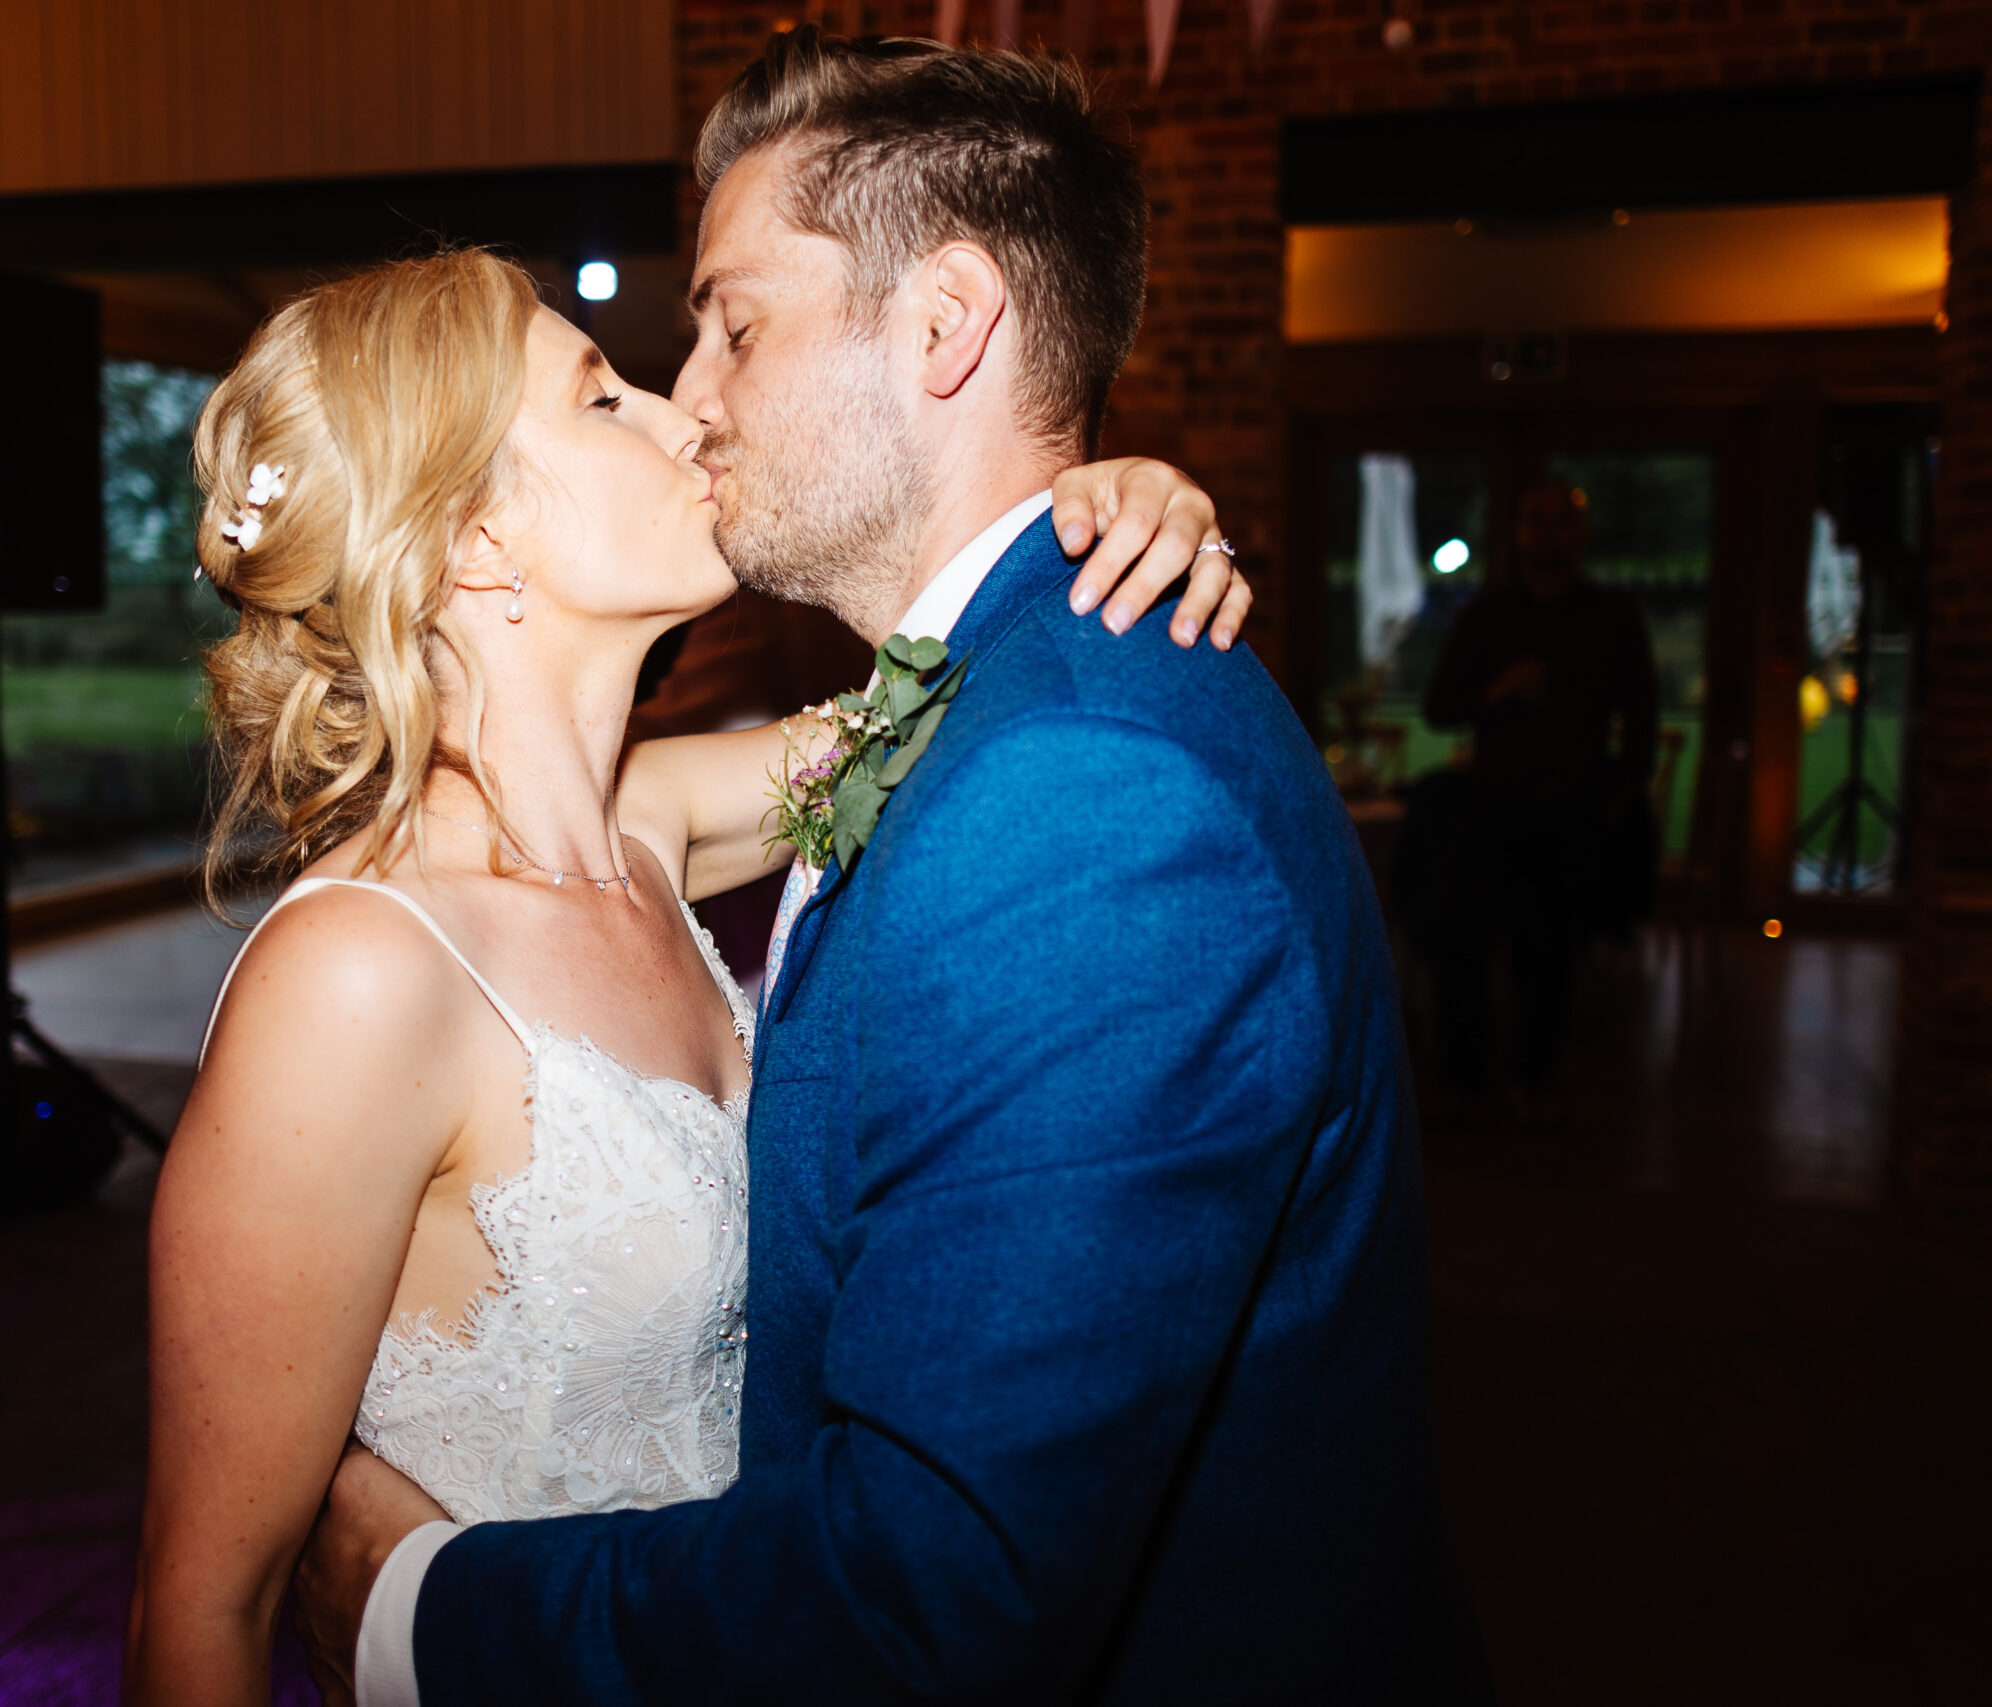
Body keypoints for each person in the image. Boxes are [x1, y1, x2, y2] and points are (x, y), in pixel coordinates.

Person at [288, 31, 1485, 1707]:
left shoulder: (1078, 797)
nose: (689, 395)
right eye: (648, 363)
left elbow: (931, 1598)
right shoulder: (990, 717)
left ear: (945, 325)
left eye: (735, 322)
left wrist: (411, 1610)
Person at [123, 234, 1248, 1702]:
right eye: (604, 399)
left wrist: (1099, 511)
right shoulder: (357, 975)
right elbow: (202, 1604)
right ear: (474, 538)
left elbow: (956, 691)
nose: (686, 414)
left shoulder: (645, 826)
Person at [1412, 479, 1660, 1124]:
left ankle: (1531, 1079)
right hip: (1492, 805)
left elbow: (1642, 717)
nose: (1549, 532)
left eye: (1561, 521)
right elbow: (1438, 708)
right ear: (1520, 532)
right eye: (1537, 519)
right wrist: (1495, 692)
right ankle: (1465, 1079)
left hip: (1572, 807)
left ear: (1578, 535)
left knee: (1548, 955)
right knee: (1459, 942)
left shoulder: (1610, 616)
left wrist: (1620, 798)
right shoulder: (1489, 616)